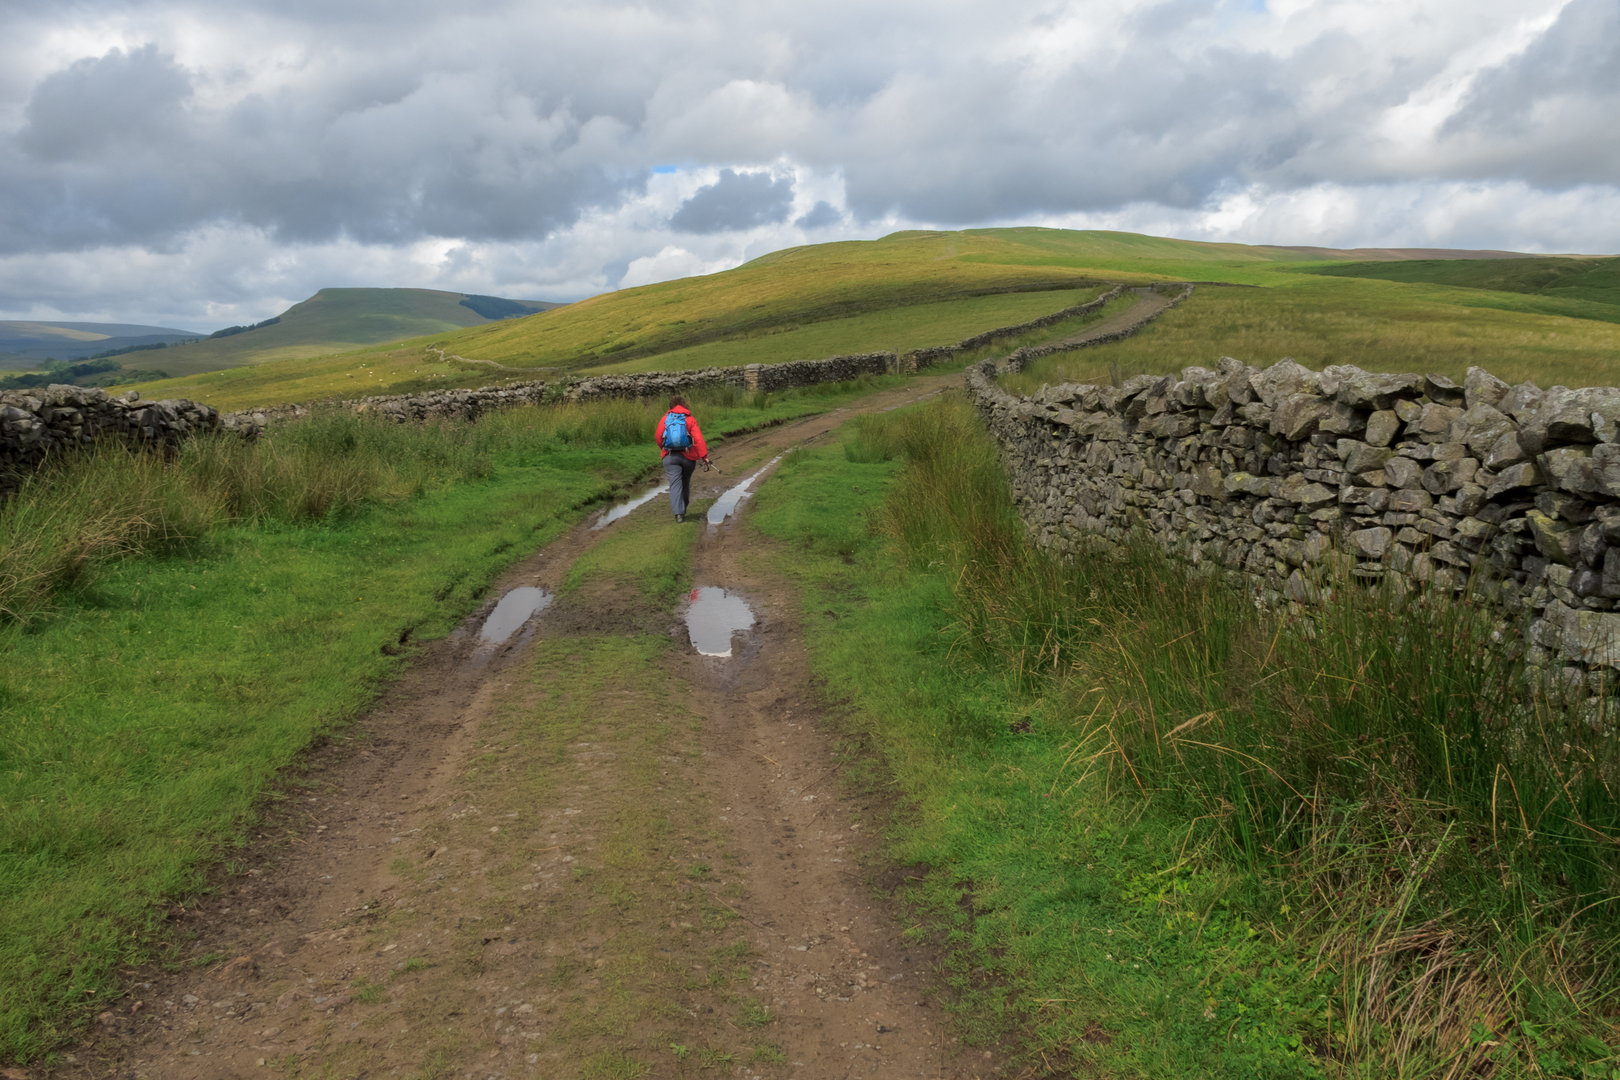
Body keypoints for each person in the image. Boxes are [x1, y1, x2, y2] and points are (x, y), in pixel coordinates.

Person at [655, 395, 709, 522]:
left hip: (670, 456)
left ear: (671, 406)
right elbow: (698, 440)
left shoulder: (665, 418)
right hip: (688, 457)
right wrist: (704, 456)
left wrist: (664, 449)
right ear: (684, 405)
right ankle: (683, 507)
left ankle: (678, 514)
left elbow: (658, 437)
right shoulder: (690, 419)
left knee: (674, 484)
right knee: (685, 482)